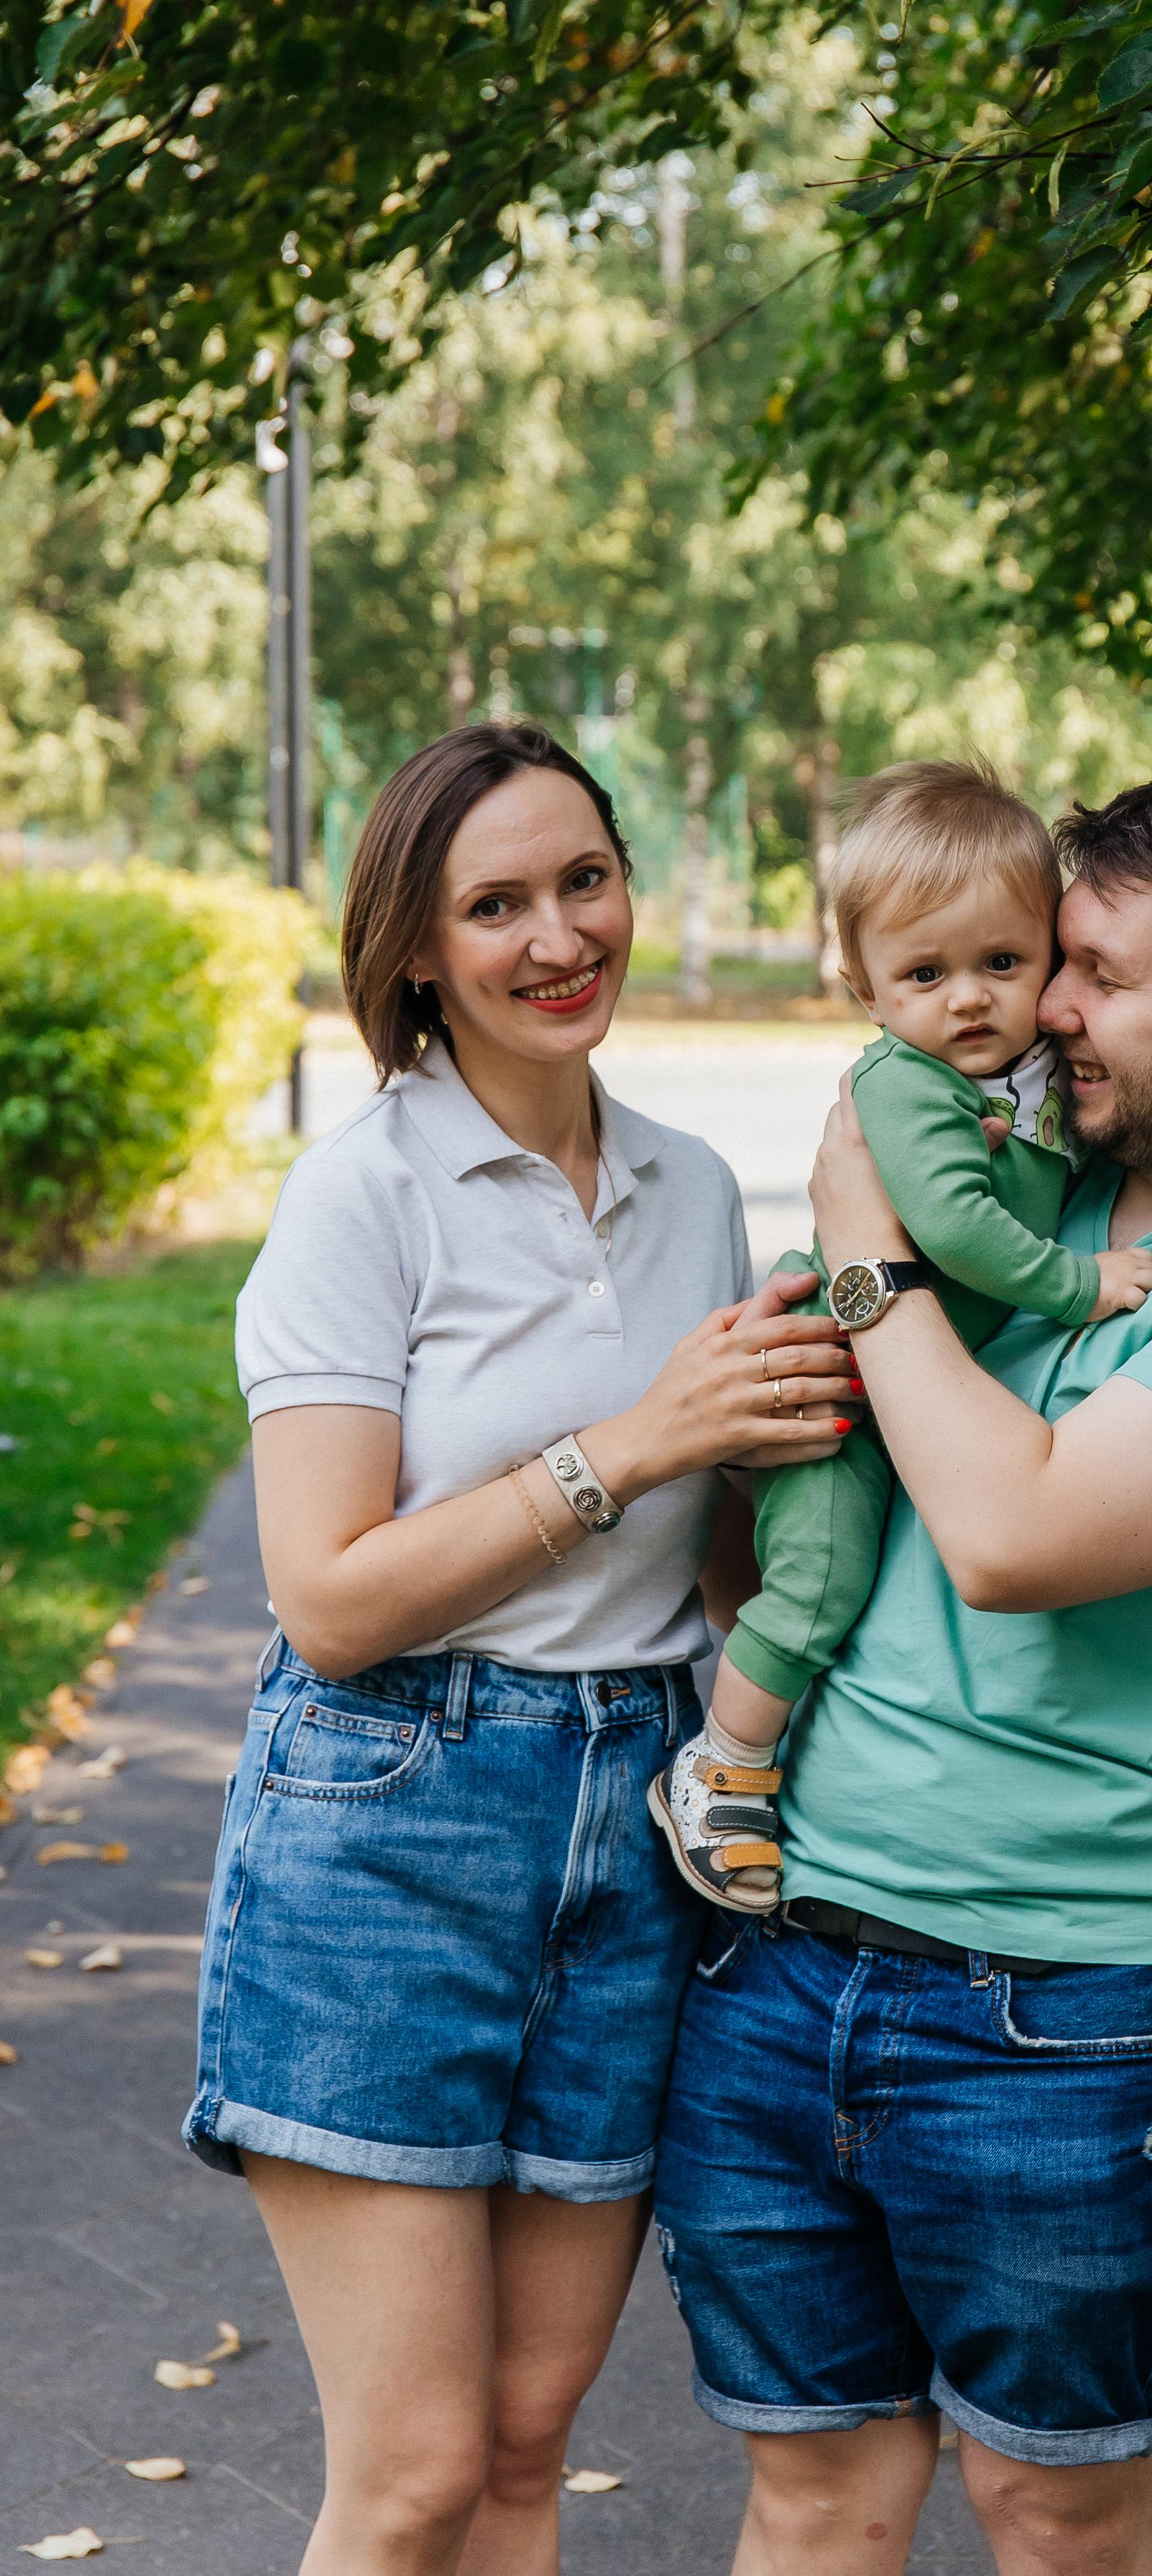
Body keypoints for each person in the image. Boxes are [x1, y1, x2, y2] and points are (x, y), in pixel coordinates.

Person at [653, 751, 1152, 2576]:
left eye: (1095, 976)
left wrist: (863, 1261)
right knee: (814, 2498)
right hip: (782, 1953)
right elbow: (753, 1555)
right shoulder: (1021, 1184)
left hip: (1063, 2013)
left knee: (1052, 2513)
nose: (1041, 1008)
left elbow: (1012, 1538)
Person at [184, 720, 857, 2576]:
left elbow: (727, 1560)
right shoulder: (364, 1197)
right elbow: (324, 1599)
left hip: (630, 1835)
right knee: (402, 2481)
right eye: (496, 905)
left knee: (520, 2443)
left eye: (585, 881)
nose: (560, 937)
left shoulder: (692, 1188)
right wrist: (633, 1442)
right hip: (391, 1826)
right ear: (418, 951)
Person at [651, 758, 1152, 1915]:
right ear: (866, 990)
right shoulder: (909, 1087)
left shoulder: (1034, 1079)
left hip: (901, 1379)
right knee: (820, 1583)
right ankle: (720, 1769)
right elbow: (957, 1230)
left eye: (1002, 963)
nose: (968, 999)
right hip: (834, 1390)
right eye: (925, 974)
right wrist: (1079, 1287)